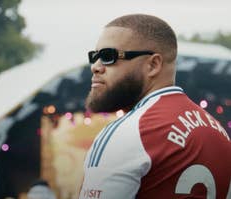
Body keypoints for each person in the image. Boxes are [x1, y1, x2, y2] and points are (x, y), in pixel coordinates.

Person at [79, 14, 231, 199]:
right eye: (94, 56)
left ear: (153, 64)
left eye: (108, 56)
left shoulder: (130, 132)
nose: (95, 66)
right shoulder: (219, 132)